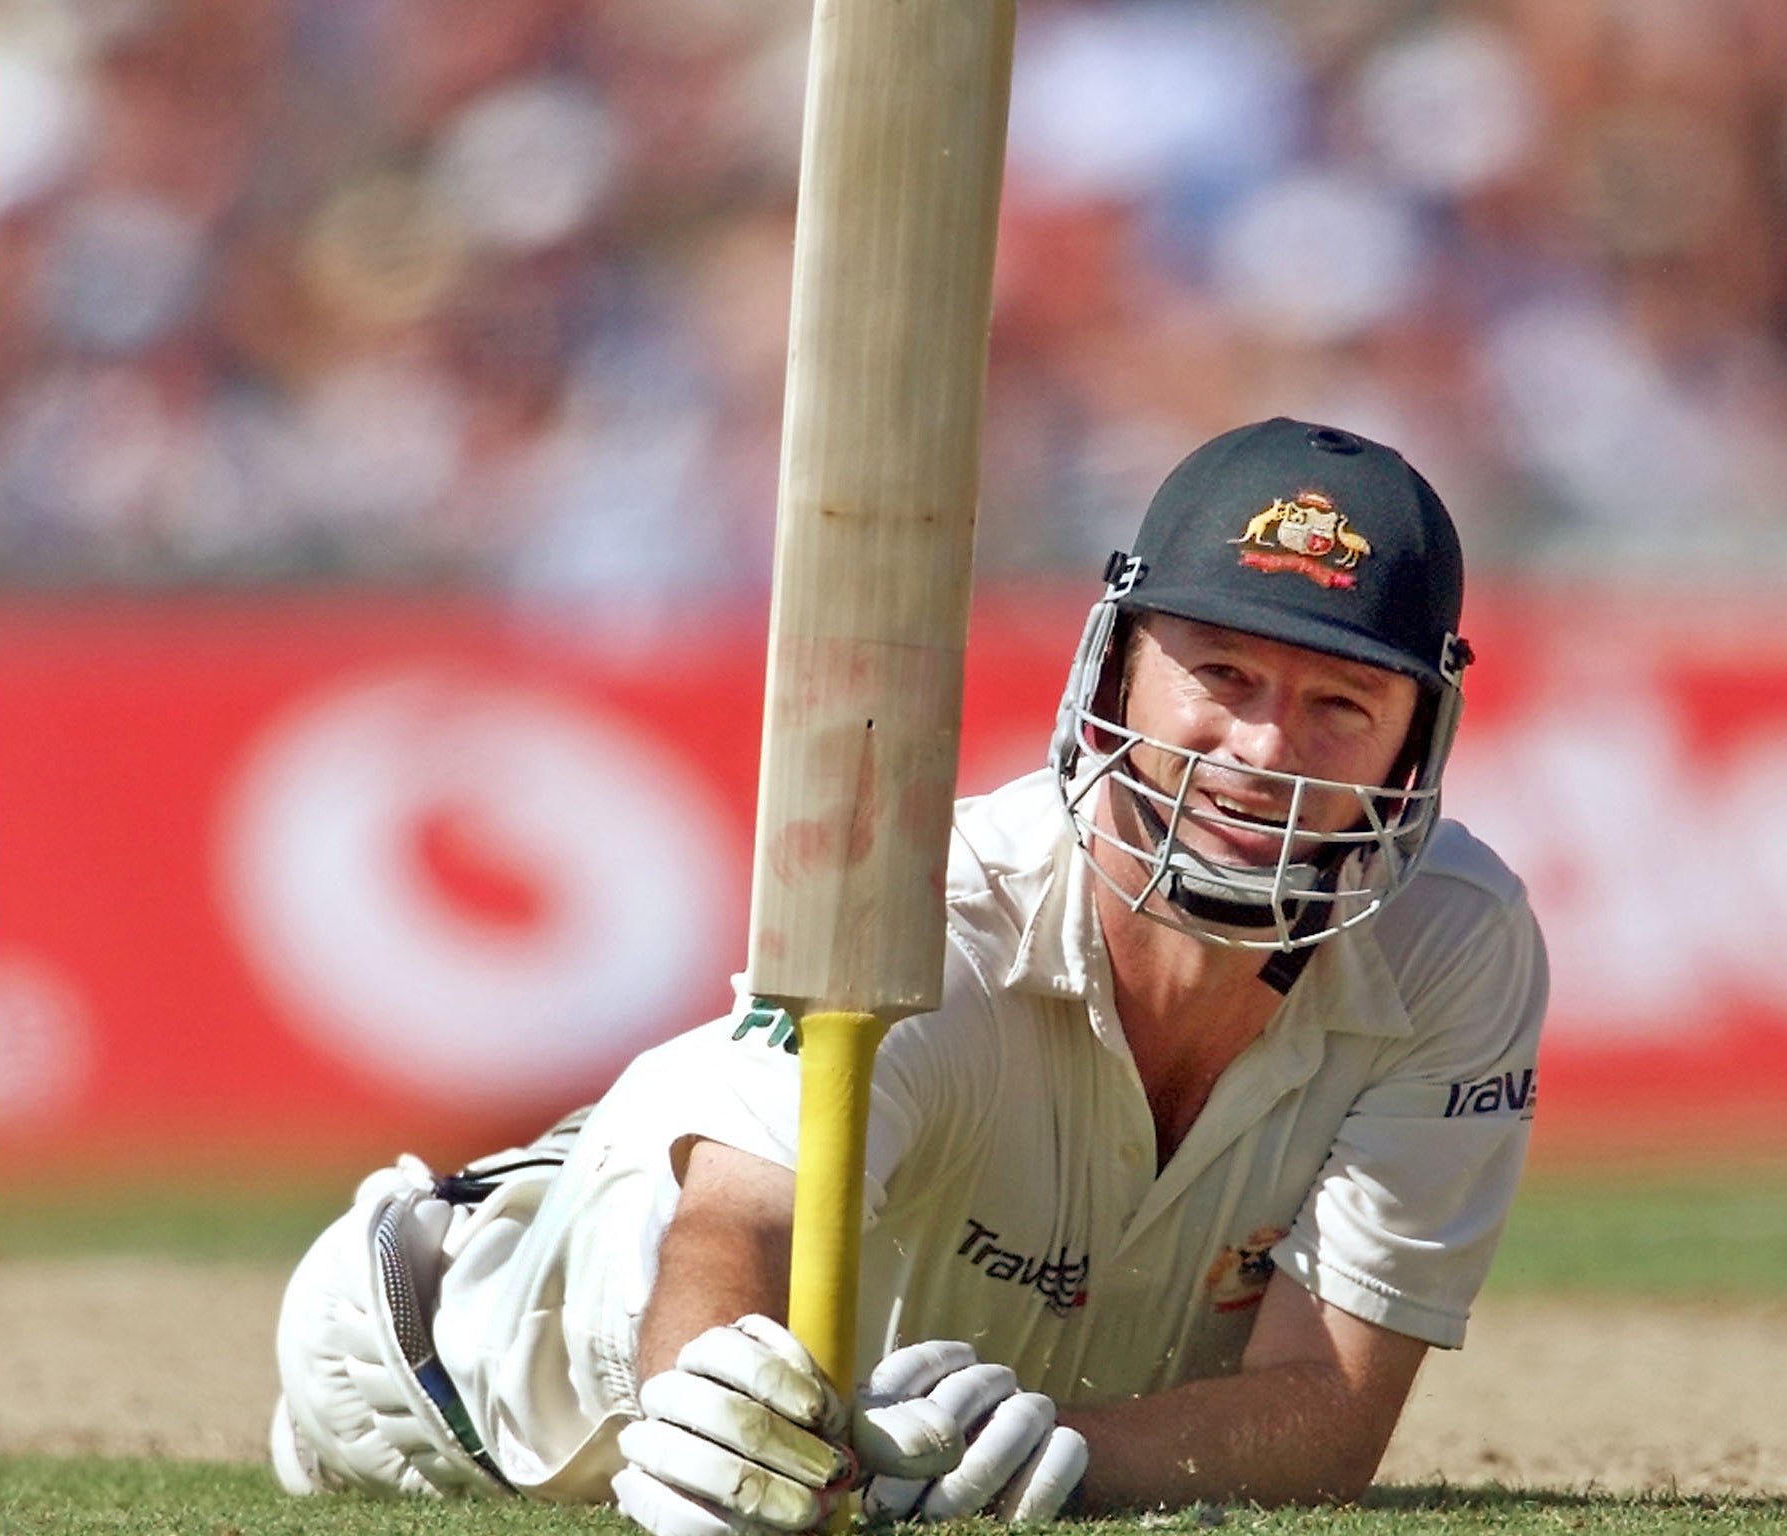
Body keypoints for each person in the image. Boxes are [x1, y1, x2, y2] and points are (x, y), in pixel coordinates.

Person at [270, 418, 1548, 1530]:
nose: (1264, 748)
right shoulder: (936, 908)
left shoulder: (1454, 944)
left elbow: (1326, 1410)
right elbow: (737, 1221)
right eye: (1221, 675)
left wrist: (1059, 1457)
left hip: (935, 1400)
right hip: (440, 1371)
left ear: (1412, 739)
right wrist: (721, 1412)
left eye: (1340, 703)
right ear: (1114, 669)